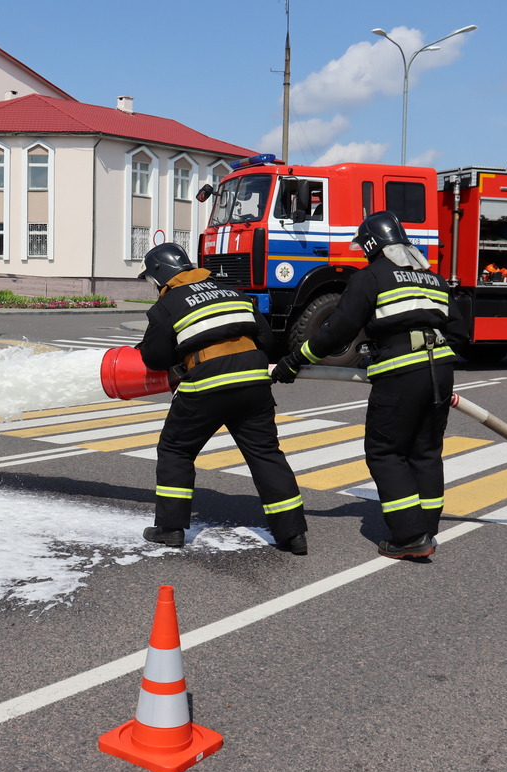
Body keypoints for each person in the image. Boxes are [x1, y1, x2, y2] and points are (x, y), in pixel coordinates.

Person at [272, 211, 468, 560]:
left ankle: (409, 538)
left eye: (364, 247)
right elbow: (460, 332)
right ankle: (426, 528)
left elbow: (337, 330)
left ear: (372, 245)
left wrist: (295, 359)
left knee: (385, 452)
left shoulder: (371, 277)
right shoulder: (433, 279)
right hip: (440, 371)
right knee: (425, 452)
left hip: (400, 374)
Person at [136, 242, 308, 554]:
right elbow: (267, 339)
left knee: (176, 449)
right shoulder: (232, 292)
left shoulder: (167, 304)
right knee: (265, 454)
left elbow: (155, 357)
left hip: (208, 383)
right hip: (254, 382)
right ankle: (293, 535)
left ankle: (170, 529)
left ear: (161, 275)